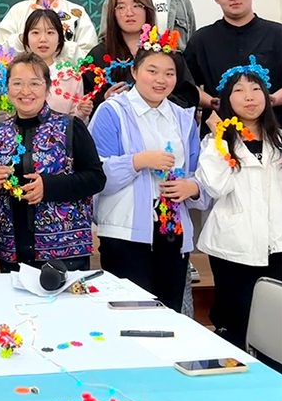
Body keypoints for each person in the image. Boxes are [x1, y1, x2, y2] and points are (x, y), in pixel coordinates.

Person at [89, 34, 210, 313]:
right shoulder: (112, 112)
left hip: (172, 229)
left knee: (169, 313)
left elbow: (199, 172)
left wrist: (191, 187)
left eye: (169, 73)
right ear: (134, 72)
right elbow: (96, 175)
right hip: (125, 231)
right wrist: (138, 161)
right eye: (152, 71)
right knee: (130, 314)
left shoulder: (183, 118)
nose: (161, 80)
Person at [0, 53, 105, 272]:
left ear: (47, 87)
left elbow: (96, 178)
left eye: (34, 83)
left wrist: (49, 186)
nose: (26, 91)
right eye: (17, 83)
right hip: (13, 253)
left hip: (65, 254)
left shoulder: (69, 126)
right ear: (7, 88)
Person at [195, 60, 282, 355]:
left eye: (256, 89)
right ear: (227, 100)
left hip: (277, 246)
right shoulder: (216, 142)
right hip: (234, 247)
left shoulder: (280, 140)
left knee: (275, 324)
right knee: (236, 319)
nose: (249, 97)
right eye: (240, 91)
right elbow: (215, 186)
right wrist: (221, 139)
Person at [185, 0, 282, 127]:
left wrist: (273, 99)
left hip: (274, 129)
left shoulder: (278, 34)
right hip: (219, 132)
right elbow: (185, 84)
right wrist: (211, 102)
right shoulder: (201, 39)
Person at [85, 0, 199, 113]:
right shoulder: (98, 54)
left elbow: (188, 100)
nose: (129, 13)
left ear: (147, 10)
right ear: (112, 13)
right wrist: (105, 100)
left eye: (136, 6)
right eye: (121, 7)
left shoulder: (166, 51)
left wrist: (157, 98)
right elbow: (84, 101)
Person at [22, 9, 93, 120]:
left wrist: (81, 113)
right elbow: (1, 120)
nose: (43, 39)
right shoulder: (15, 73)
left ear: (59, 39)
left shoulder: (71, 76)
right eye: (35, 32)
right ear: (26, 39)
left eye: (50, 32)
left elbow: (77, 123)